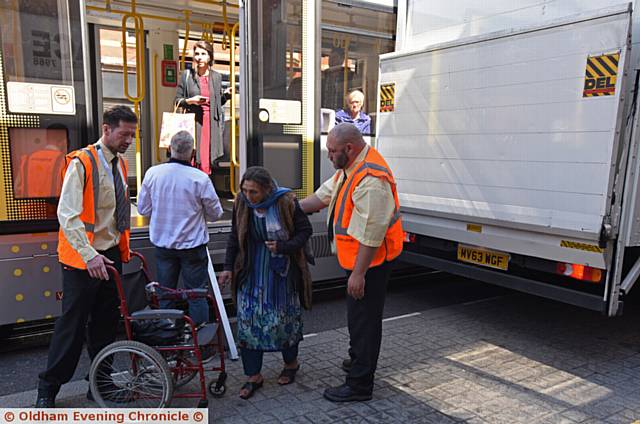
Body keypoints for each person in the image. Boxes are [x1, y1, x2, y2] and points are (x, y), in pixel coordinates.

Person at [36, 106, 137, 408]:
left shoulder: (119, 164)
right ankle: (47, 389)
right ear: (106, 130)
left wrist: (115, 253)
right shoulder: (82, 162)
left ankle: (100, 385)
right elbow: (67, 215)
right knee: (72, 324)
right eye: (124, 134)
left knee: (106, 324)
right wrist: (90, 256)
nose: (129, 140)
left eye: (132, 135)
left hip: (108, 257)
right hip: (83, 260)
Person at [299, 123, 404, 402]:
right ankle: (358, 360)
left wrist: (358, 275)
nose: (329, 156)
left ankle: (359, 385)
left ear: (349, 148)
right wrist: (289, 206)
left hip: (371, 264)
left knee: (365, 323)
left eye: (332, 151)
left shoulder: (370, 178)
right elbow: (323, 196)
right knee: (358, 320)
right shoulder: (351, 168)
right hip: (360, 261)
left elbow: (372, 231)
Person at [218, 166, 313, 400]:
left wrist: (284, 247)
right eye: (245, 190)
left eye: (254, 192)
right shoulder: (242, 203)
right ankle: (253, 376)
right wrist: (228, 267)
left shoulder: (286, 201)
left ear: (268, 189)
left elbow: (305, 231)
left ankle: (291, 364)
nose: (249, 197)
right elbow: (234, 236)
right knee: (248, 324)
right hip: (251, 273)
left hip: (281, 275)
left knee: (283, 323)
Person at [137, 130, 223, 326]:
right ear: (193, 153)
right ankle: (198, 344)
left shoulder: (153, 173)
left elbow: (143, 209)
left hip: (164, 248)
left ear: (170, 149)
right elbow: (216, 213)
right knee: (196, 295)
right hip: (193, 248)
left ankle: (170, 338)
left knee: (166, 293)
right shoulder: (199, 178)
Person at [174, 40, 231, 175]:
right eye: (197, 54)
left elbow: (217, 103)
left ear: (209, 57)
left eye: (203, 54)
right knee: (192, 160)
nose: (199, 57)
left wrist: (226, 96)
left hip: (210, 125)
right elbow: (177, 101)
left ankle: (202, 191)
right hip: (193, 124)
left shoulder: (216, 77)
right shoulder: (187, 76)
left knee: (206, 162)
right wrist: (190, 101)